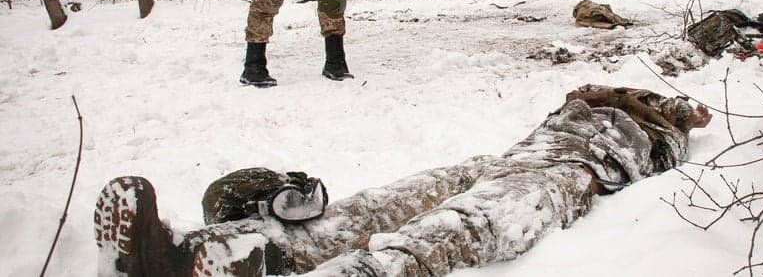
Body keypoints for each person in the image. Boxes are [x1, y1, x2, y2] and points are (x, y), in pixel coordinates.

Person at [94, 85, 711, 276]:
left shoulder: (662, 133)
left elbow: (689, 116)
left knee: (463, 225)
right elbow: (589, 92)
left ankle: (365, 274)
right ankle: (231, 253)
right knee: (381, 203)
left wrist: (664, 112)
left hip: (569, 173)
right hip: (509, 156)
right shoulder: (599, 97)